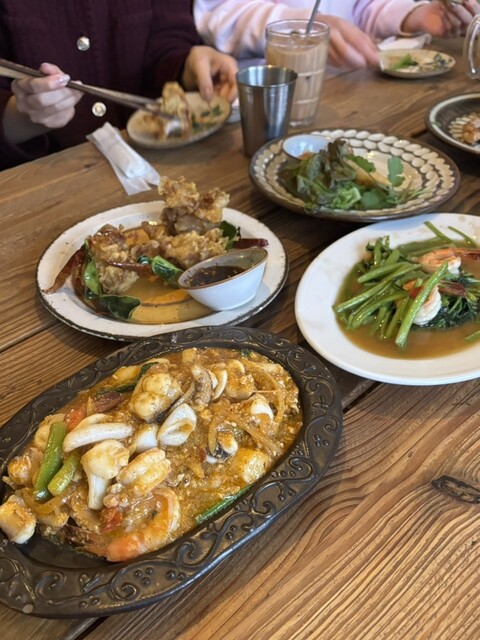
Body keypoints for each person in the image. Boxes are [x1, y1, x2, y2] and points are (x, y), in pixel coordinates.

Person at [0, 1, 238, 171]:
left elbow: (167, 37)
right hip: (43, 184)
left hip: (161, 162)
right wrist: (24, 116)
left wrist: (187, 66)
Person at [194, 0, 480, 69]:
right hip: (259, 104)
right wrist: (302, 28)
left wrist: (413, 15)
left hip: (346, 95)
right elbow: (217, 13)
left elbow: (359, 7)